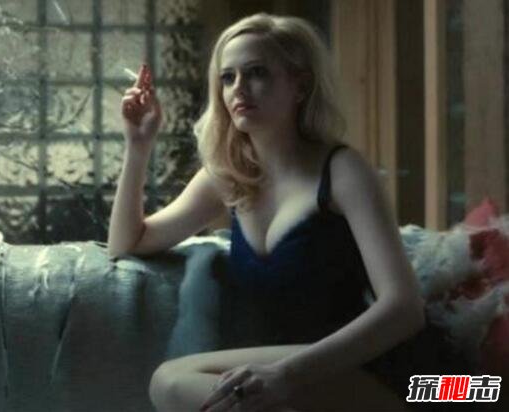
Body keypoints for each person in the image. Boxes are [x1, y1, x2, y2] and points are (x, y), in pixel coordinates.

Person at [107, 13, 474, 412]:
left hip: (384, 372)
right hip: (293, 378)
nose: (238, 88)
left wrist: (286, 375)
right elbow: (128, 243)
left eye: (257, 73)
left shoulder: (342, 170)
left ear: (300, 85)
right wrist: (138, 147)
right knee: (171, 383)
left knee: (172, 382)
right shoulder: (227, 176)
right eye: (227, 77)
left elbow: (404, 310)